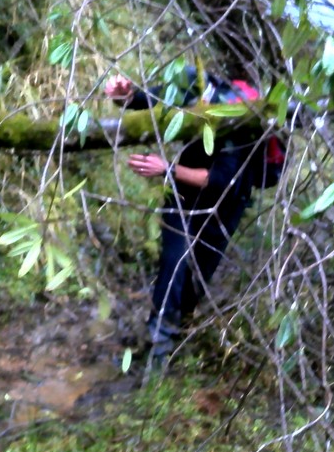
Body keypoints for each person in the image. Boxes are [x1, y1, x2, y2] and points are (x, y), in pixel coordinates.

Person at [104, 67, 283, 366]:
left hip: (226, 203)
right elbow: (149, 100)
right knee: (174, 262)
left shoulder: (239, 123)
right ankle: (157, 349)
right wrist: (127, 95)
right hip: (182, 195)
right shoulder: (191, 84)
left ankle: (182, 329)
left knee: (198, 275)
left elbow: (220, 180)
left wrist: (166, 169)